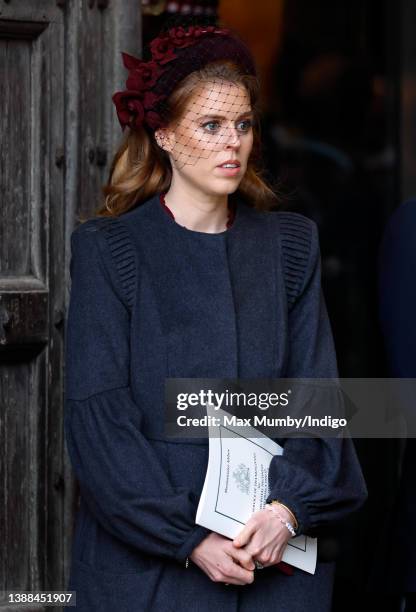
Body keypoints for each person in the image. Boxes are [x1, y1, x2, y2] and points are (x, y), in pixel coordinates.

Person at [64, 20, 368, 611]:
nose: (233, 142)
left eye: (243, 124)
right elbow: (100, 424)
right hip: (153, 572)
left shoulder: (289, 246)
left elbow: (320, 402)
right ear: (165, 135)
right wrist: (189, 538)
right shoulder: (110, 250)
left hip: (276, 566)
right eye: (210, 125)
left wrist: (289, 511)